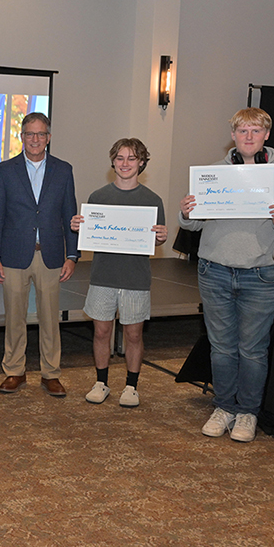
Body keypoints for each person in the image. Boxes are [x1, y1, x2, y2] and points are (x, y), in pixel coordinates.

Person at [179, 107, 274, 443]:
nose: (248, 137)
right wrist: (186, 211)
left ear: (267, 134)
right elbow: (192, 225)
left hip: (262, 274)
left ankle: (248, 412)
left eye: (255, 131)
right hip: (214, 270)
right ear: (233, 136)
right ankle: (223, 407)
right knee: (221, 348)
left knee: (252, 349)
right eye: (242, 131)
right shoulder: (212, 174)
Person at [0, 112, 79, 397]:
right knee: (14, 317)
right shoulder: (4, 170)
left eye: (41, 134)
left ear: (48, 138)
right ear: (22, 137)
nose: (35, 139)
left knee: (50, 318)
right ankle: (14, 371)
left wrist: (72, 255)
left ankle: (50, 374)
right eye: (30, 134)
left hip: (50, 256)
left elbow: (69, 215)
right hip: (13, 256)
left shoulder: (63, 170)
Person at [72, 138, 167, 408]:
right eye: (120, 158)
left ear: (141, 163)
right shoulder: (98, 197)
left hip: (135, 278)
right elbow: (89, 234)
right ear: (113, 161)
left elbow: (156, 240)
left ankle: (131, 386)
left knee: (134, 335)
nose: (125, 163)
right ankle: (101, 382)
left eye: (132, 158)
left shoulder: (153, 200)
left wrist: (160, 237)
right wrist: (79, 225)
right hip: (103, 276)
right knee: (101, 332)